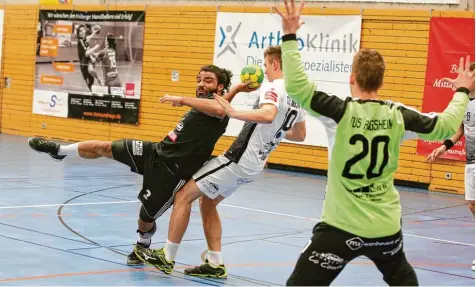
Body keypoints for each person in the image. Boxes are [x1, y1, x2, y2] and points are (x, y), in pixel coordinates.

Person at [273, 0, 474, 285]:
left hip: (340, 227)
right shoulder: (398, 116)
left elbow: (297, 87)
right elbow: (443, 125)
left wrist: (290, 36)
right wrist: (463, 90)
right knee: (401, 276)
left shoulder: (339, 112)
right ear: (381, 80)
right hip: (384, 227)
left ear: (351, 78)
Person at [28, 65, 255, 266]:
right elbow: (218, 102)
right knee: (104, 147)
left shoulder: (219, 111)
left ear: (220, 87)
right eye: (199, 79)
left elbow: (219, 108)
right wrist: (233, 90)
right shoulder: (210, 104)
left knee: (145, 219)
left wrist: (182, 99)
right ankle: (60, 151)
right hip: (155, 151)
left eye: (208, 80)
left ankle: (142, 243)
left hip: (171, 173)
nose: (201, 84)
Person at [133, 45, 307, 278]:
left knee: (183, 195)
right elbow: (299, 135)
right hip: (255, 164)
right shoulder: (297, 93)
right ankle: (215, 262)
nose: (264, 70)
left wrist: (235, 113)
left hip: (238, 159)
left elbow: (267, 115)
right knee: (208, 203)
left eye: (265, 65)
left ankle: (167, 256)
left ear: (275, 64)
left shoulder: (273, 87)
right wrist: (271, 133)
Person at [426, 62, 475, 271]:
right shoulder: (463, 103)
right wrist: (444, 147)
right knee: (472, 204)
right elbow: (460, 130)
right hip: (471, 160)